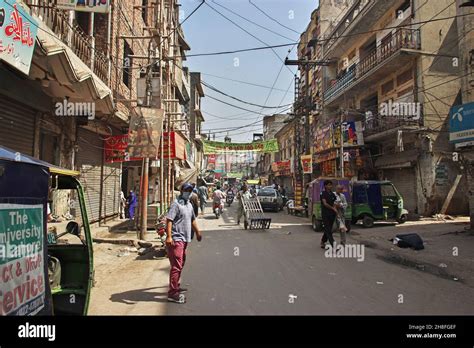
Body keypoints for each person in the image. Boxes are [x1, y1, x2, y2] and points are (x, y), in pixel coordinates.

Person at [165, 183, 202, 303]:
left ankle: (176, 285)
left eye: (190, 190)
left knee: (181, 263)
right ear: (182, 191)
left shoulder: (189, 204)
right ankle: (172, 293)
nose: (189, 192)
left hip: (185, 239)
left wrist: (198, 232)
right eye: (187, 190)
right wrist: (169, 237)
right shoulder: (176, 204)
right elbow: (169, 220)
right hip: (176, 239)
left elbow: (192, 220)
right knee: (176, 266)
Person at [320, 180, 338, 249]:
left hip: (332, 214)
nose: (330, 186)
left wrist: (336, 208)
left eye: (331, 185)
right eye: (329, 185)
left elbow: (335, 202)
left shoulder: (332, 194)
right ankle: (333, 245)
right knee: (328, 229)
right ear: (325, 186)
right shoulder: (323, 193)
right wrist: (332, 208)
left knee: (329, 229)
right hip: (325, 214)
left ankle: (322, 241)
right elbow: (325, 203)